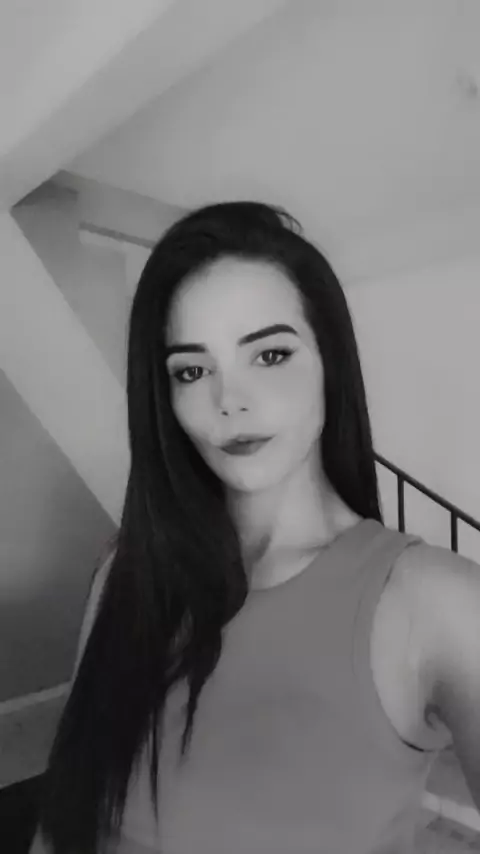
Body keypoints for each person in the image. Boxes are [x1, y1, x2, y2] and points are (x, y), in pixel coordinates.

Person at [31, 202, 480, 853]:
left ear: (330, 364)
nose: (229, 400)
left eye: (270, 355)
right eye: (192, 370)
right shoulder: (123, 574)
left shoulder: (437, 604)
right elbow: (62, 820)